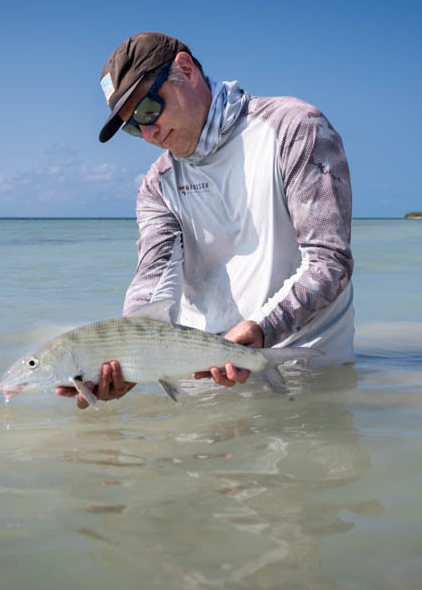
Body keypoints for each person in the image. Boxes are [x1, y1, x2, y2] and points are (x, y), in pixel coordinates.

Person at [57, 32, 354, 409]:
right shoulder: (157, 185)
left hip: (308, 370)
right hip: (202, 378)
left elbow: (329, 260)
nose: (148, 134)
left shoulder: (293, 127)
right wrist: (128, 355)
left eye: (148, 109)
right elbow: (153, 278)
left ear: (185, 70)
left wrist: (263, 329)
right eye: (133, 126)